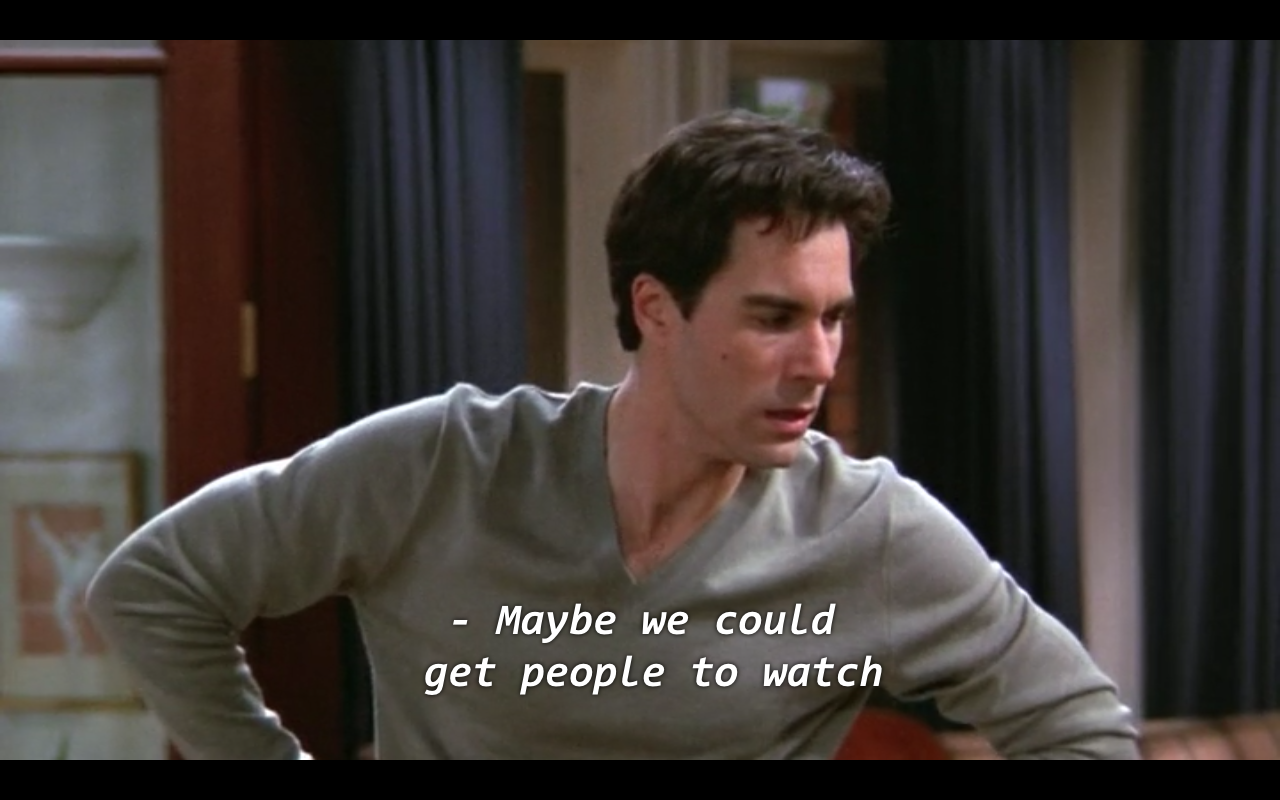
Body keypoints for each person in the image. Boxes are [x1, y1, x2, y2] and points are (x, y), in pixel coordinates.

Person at [87, 110, 1140, 760]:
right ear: (655, 307)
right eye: (774, 317)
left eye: (834, 318)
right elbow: (153, 585)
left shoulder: (869, 529)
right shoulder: (445, 464)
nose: (819, 361)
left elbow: (1083, 728)